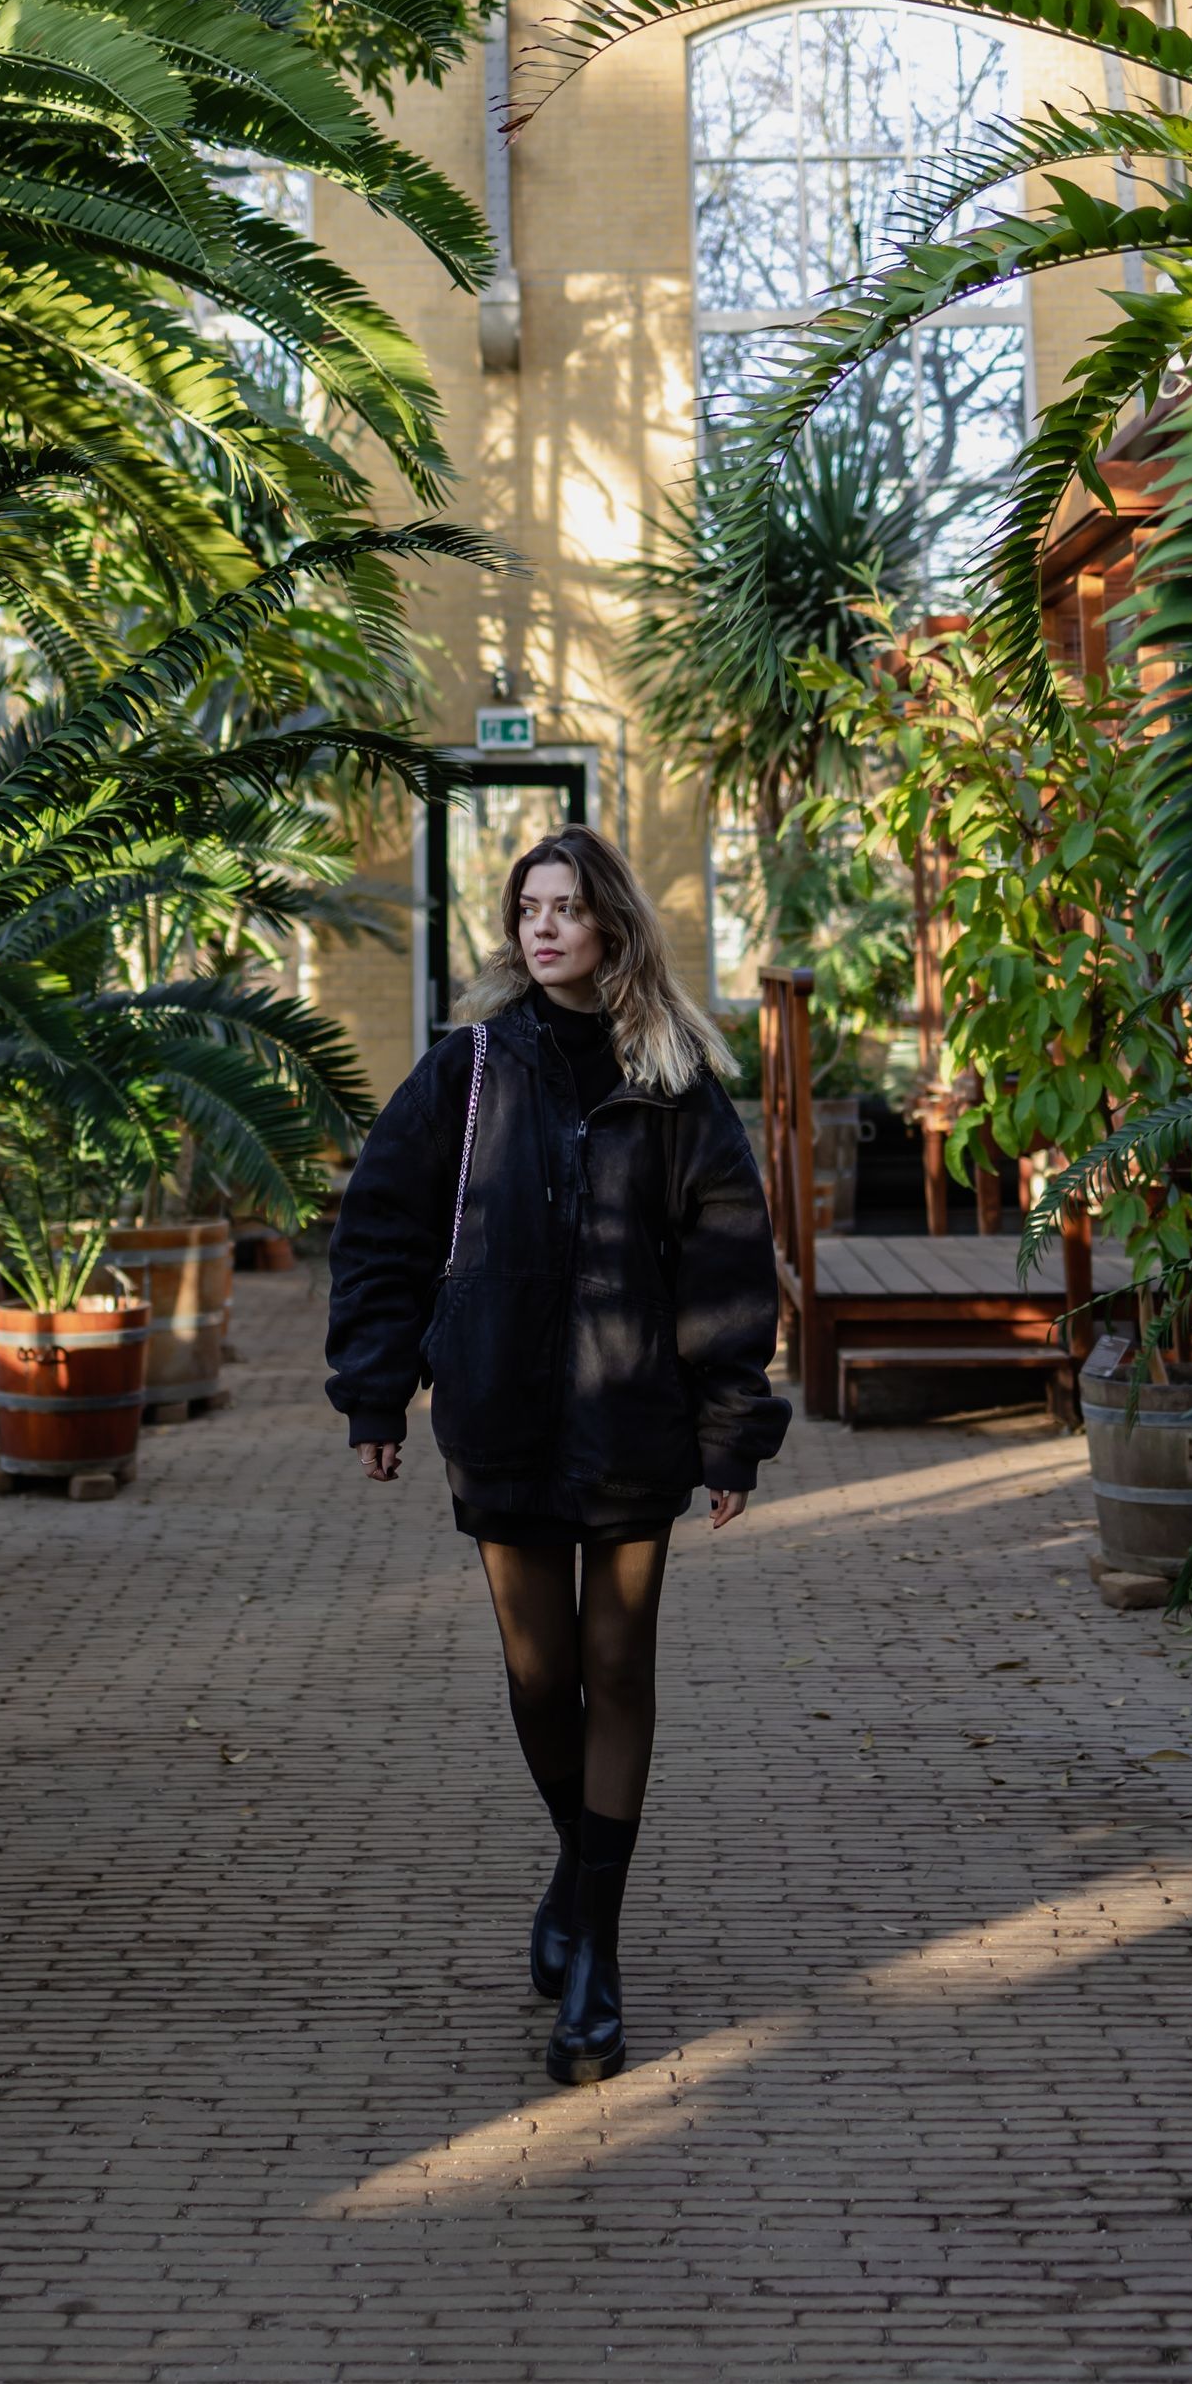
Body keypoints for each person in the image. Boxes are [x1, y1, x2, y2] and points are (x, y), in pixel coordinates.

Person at [325, 823, 789, 2085]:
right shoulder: (466, 1069)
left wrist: (729, 1426)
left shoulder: (675, 1076)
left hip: (633, 1418)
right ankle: (581, 1886)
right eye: (527, 907)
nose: (542, 927)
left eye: (567, 908)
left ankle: (594, 1945)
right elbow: (382, 1227)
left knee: (614, 1666)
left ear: (611, 928)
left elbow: (726, 1262)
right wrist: (376, 1391)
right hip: (501, 1412)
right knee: (539, 1680)